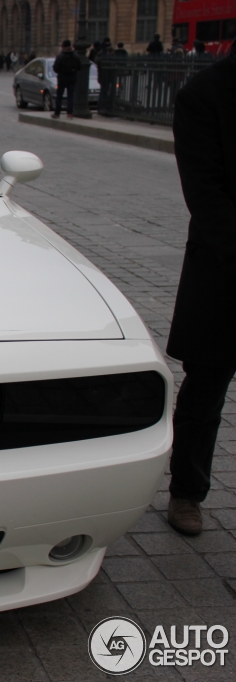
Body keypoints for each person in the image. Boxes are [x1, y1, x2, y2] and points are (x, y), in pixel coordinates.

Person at [165, 50, 236, 536]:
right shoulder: (204, 94)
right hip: (224, 266)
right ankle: (186, 492)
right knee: (206, 388)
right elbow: (205, 190)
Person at [51, 40, 80, 120]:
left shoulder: (60, 56)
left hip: (62, 78)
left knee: (59, 96)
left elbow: (55, 68)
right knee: (70, 96)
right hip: (72, 78)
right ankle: (70, 113)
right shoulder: (75, 55)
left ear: (63, 46)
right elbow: (79, 67)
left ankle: (57, 113)